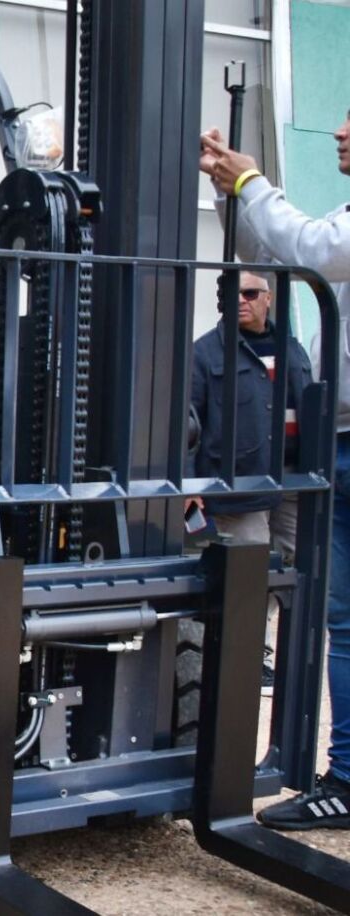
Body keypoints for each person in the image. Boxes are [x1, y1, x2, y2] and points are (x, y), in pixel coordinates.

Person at [199, 112, 350, 830]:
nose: (340, 133)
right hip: (296, 465)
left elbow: (313, 249)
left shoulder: (288, 345)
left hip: (316, 461)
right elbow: (287, 249)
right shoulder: (209, 351)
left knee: (339, 618)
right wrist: (240, 191)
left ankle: (347, 778)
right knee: (336, 617)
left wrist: (253, 182)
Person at [189, 270, 312, 697]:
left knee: (299, 569)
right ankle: (244, 655)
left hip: (294, 482)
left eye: (250, 293)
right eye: (232, 293)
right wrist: (191, 491)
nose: (240, 300)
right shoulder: (205, 354)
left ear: (268, 299)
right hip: (239, 486)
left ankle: (274, 650)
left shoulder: (292, 351)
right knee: (248, 569)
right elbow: (187, 424)